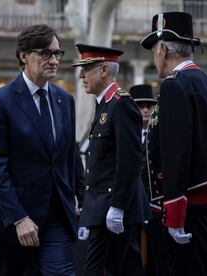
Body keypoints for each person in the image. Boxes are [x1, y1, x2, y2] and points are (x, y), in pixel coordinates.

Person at [0, 24, 84, 276]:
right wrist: (18, 218)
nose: (54, 60)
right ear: (24, 56)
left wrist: (83, 200)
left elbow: (70, 156)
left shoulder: (64, 100)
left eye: (57, 53)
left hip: (56, 216)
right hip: (13, 219)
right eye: (45, 53)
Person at [140, 12, 207, 275]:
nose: (153, 57)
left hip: (188, 202)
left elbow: (176, 152)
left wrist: (174, 212)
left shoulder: (175, 86)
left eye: (153, 50)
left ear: (163, 49)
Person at [73, 44, 146, 276]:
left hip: (112, 207)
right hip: (103, 206)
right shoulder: (105, 104)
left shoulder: (121, 104)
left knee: (100, 270)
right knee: (127, 268)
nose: (81, 75)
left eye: (87, 68)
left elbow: (130, 160)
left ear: (104, 70)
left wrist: (117, 206)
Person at [130, 84, 172, 276]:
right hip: (130, 207)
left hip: (157, 206)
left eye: (149, 106)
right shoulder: (126, 135)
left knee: (160, 258)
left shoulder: (162, 134)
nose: (146, 110)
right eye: (141, 106)